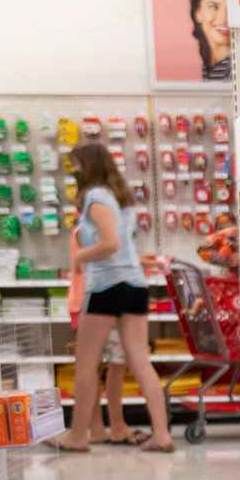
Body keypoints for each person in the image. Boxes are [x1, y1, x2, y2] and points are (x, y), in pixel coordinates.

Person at [49, 142, 174, 453]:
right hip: (133, 285)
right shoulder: (123, 200)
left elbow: (110, 244)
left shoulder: (96, 197)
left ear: (87, 166)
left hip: (106, 286)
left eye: (76, 165)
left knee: (86, 364)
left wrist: (81, 258)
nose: (73, 171)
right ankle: (162, 435)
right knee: (139, 361)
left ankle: (79, 436)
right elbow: (123, 244)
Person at [190, 0, 231, 81]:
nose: (223, 18)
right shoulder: (207, 68)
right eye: (213, 7)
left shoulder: (236, 71)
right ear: (197, 13)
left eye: (231, 9)